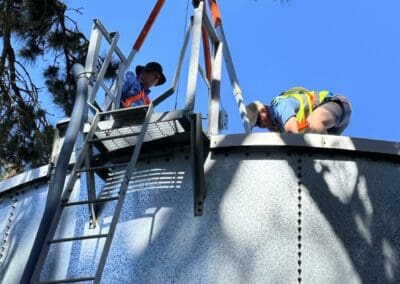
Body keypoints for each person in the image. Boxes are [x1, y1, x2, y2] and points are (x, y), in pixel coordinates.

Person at [246, 87, 352, 135]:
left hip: (336, 105)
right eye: (257, 125)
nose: (261, 125)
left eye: (259, 121)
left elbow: (292, 133)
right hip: (329, 127)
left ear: (263, 110)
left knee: (313, 123)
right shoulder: (277, 125)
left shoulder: (280, 107)